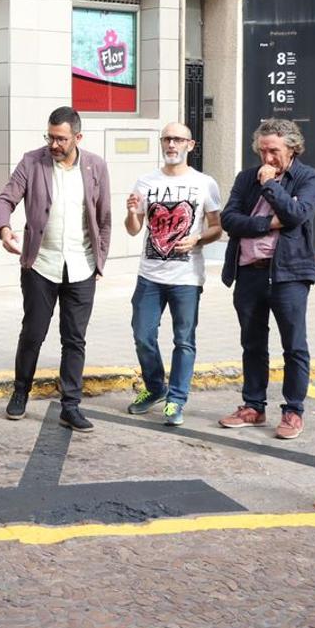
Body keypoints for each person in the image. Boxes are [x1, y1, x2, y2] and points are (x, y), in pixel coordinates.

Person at [0, 106, 111, 432]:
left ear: (77, 137)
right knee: (33, 333)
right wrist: (4, 230)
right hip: (41, 266)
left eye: (61, 139)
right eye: (50, 137)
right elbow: (4, 199)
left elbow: (103, 218)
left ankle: (70, 406)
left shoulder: (95, 166)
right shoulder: (33, 161)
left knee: (74, 339)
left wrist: (100, 261)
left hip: (82, 266)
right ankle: (20, 393)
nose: (54, 145)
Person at [218, 118, 315, 439]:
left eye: (274, 151)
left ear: (291, 148)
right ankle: (253, 406)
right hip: (249, 272)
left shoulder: (308, 177)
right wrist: (267, 224)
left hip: (289, 275)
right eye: (262, 151)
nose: (267, 159)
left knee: (293, 345)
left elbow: (295, 214)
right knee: (252, 342)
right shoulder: (245, 178)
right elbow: (229, 220)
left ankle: (293, 411)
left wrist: (271, 186)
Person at [124, 122, 222, 426]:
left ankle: (176, 400)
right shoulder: (146, 182)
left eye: (178, 140)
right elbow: (133, 229)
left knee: (184, 341)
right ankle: (155, 388)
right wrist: (130, 212)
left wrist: (197, 239)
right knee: (142, 335)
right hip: (150, 275)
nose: (171, 145)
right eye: (166, 139)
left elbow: (217, 228)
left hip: (186, 279)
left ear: (190, 145)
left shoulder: (204, 183)